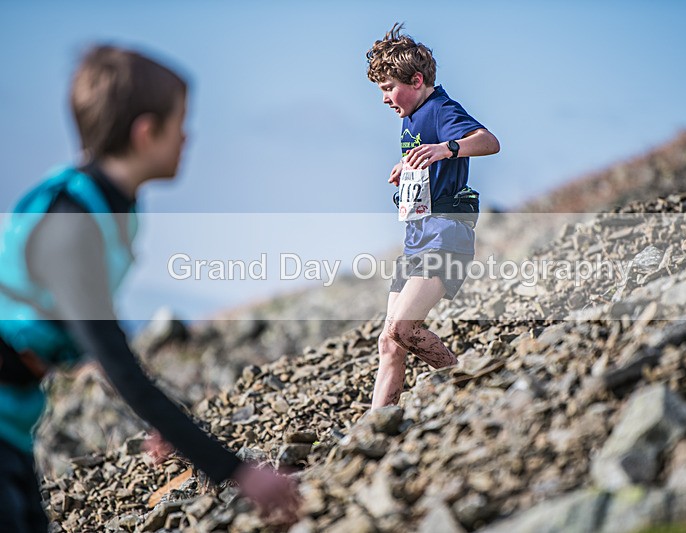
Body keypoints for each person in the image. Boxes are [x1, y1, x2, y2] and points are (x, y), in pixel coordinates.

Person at [0, 45, 299, 531]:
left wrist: (163, 421)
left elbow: (85, 338)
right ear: (146, 132)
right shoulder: (72, 224)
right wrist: (237, 472)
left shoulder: (108, 205)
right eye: (181, 122)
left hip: (13, 421)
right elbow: (117, 360)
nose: (188, 136)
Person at [366, 24, 500, 408]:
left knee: (402, 328)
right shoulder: (411, 118)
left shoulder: (441, 109)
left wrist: (447, 148)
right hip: (416, 240)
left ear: (417, 79)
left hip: (446, 235)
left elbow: (489, 142)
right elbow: (427, 158)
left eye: (389, 88)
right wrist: (407, 167)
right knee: (389, 343)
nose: (385, 99)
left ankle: (464, 380)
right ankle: (373, 430)